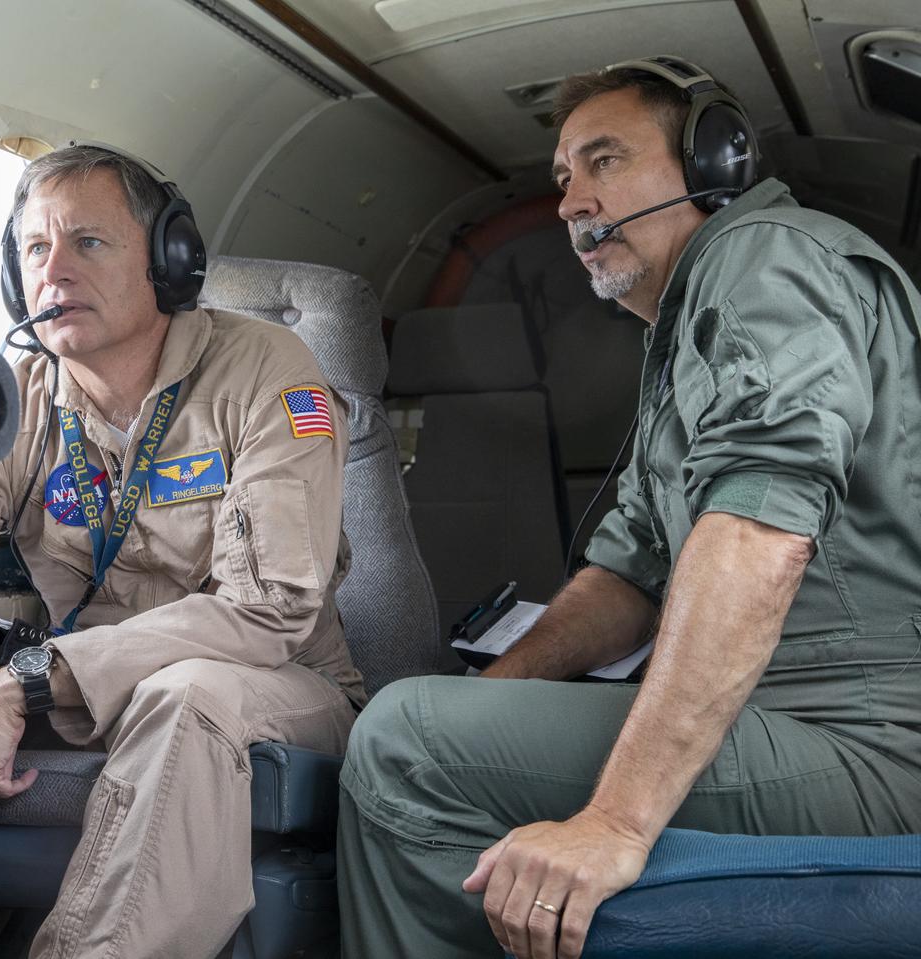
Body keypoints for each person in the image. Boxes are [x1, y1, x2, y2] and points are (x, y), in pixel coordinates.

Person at [337, 57, 921, 959]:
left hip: (865, 742)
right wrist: (490, 698)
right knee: (433, 714)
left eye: (604, 160)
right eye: (563, 178)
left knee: (400, 745)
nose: (571, 202)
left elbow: (762, 533)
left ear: (712, 164)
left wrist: (615, 820)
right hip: (787, 726)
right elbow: (627, 575)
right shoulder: (684, 333)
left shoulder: (765, 260)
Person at [0, 142, 364, 959]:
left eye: (88, 242)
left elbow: (270, 611)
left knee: (185, 693)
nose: (54, 271)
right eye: (35, 248)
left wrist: (33, 678)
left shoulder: (266, 371)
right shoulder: (22, 392)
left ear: (170, 261)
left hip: (274, 681)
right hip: (90, 683)